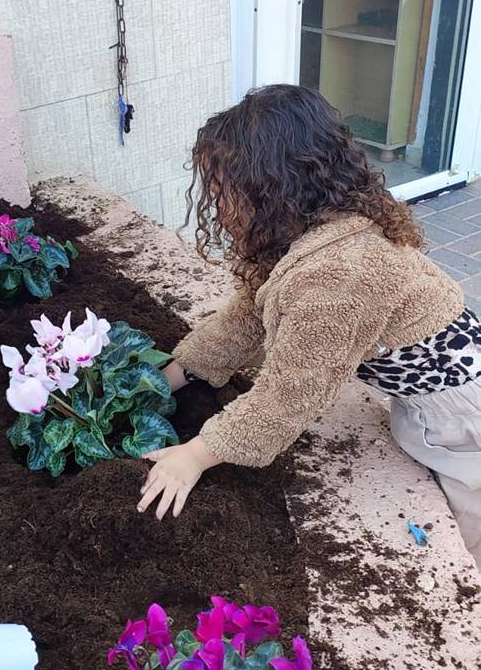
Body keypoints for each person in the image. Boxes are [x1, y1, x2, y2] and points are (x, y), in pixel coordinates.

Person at [137, 85, 481, 570]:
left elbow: (289, 397)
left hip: (461, 419)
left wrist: (194, 455)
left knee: (470, 531)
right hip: (448, 393)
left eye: (222, 190)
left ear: (271, 187)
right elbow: (244, 318)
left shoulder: (338, 276)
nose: (214, 203)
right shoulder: (315, 227)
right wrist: (168, 378)